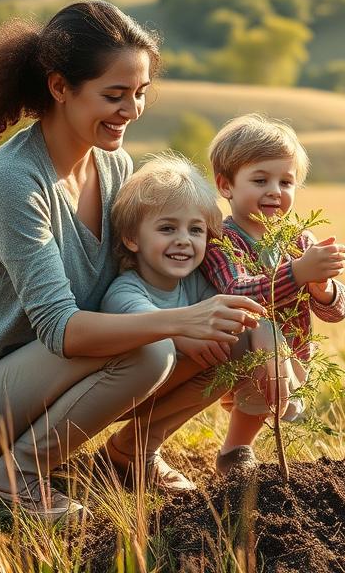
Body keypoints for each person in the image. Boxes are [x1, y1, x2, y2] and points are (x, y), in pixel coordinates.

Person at [0, 1, 263, 521]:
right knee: (152, 349)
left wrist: (270, 294)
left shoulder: (115, 164)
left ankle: (133, 454)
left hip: (56, 382)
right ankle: (15, 478)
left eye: (140, 94)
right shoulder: (15, 180)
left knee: (230, 332)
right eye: (114, 95)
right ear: (60, 87)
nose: (132, 110)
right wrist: (178, 322)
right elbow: (61, 330)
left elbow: (145, 271)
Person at [100, 153, 270, 492]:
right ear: (132, 238)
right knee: (163, 349)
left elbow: (242, 314)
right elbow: (144, 321)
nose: (183, 240)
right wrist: (181, 335)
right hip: (112, 399)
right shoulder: (125, 290)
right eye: (167, 228)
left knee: (238, 342)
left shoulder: (196, 283)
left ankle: (135, 448)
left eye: (196, 230)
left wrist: (270, 349)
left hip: (163, 392)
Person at [201, 114, 345, 477]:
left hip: (294, 356)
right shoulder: (222, 239)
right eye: (260, 179)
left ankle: (238, 452)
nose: (275, 191)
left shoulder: (300, 241)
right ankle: (246, 439)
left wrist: (324, 288)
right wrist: (297, 272)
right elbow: (236, 291)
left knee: (262, 402)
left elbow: (337, 312)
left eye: (286, 181)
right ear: (226, 186)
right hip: (237, 354)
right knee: (263, 338)